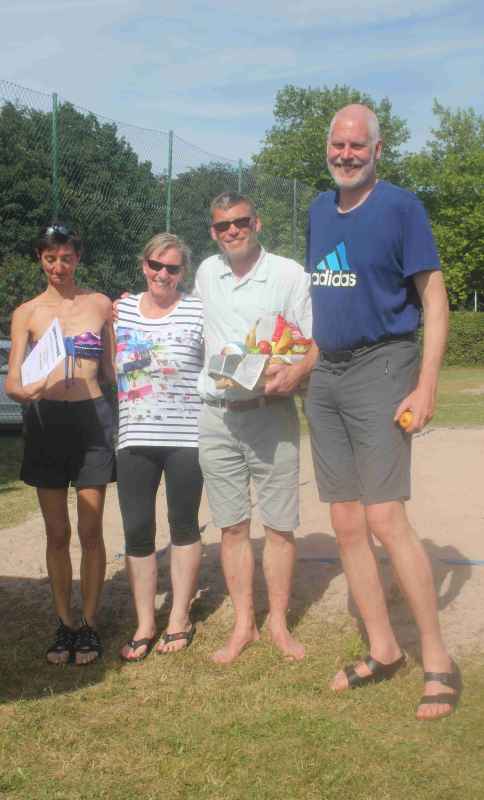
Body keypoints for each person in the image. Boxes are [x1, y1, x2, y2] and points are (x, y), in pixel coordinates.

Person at [303, 104, 461, 721]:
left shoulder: (402, 207)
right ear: (329, 147)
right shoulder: (319, 210)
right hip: (328, 374)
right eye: (338, 145)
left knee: (384, 517)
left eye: (357, 146)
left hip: (384, 368)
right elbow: (326, 300)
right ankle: (384, 649)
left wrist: (425, 387)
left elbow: (436, 301)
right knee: (345, 523)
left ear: (376, 149)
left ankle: (438, 662)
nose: (346, 155)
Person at [194, 191, 317, 664]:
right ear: (213, 231)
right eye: (223, 225)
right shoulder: (207, 272)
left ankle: (279, 624)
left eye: (241, 221)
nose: (233, 230)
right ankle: (244, 625)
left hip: (271, 414)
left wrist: (298, 372)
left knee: (281, 527)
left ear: (257, 223)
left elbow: (315, 340)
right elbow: (175, 305)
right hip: (218, 416)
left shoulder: (287, 274)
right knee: (231, 528)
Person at [5, 223, 117, 666]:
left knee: (90, 530)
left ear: (77, 257)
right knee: (57, 532)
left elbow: (111, 370)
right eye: (50, 258)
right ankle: (64, 624)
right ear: (40, 260)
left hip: (92, 418)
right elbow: (13, 377)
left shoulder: (100, 304)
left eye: (66, 257)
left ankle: (88, 624)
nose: (59, 266)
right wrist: (19, 391)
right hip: (45, 420)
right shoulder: (26, 313)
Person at [116, 233, 205, 662]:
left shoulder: (198, 310)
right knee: (137, 531)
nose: (162, 274)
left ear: (182, 272)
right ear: (144, 265)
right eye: (155, 265)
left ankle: (179, 618)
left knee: (184, 525)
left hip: (188, 437)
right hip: (134, 437)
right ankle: (146, 622)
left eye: (172, 268)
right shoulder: (121, 309)